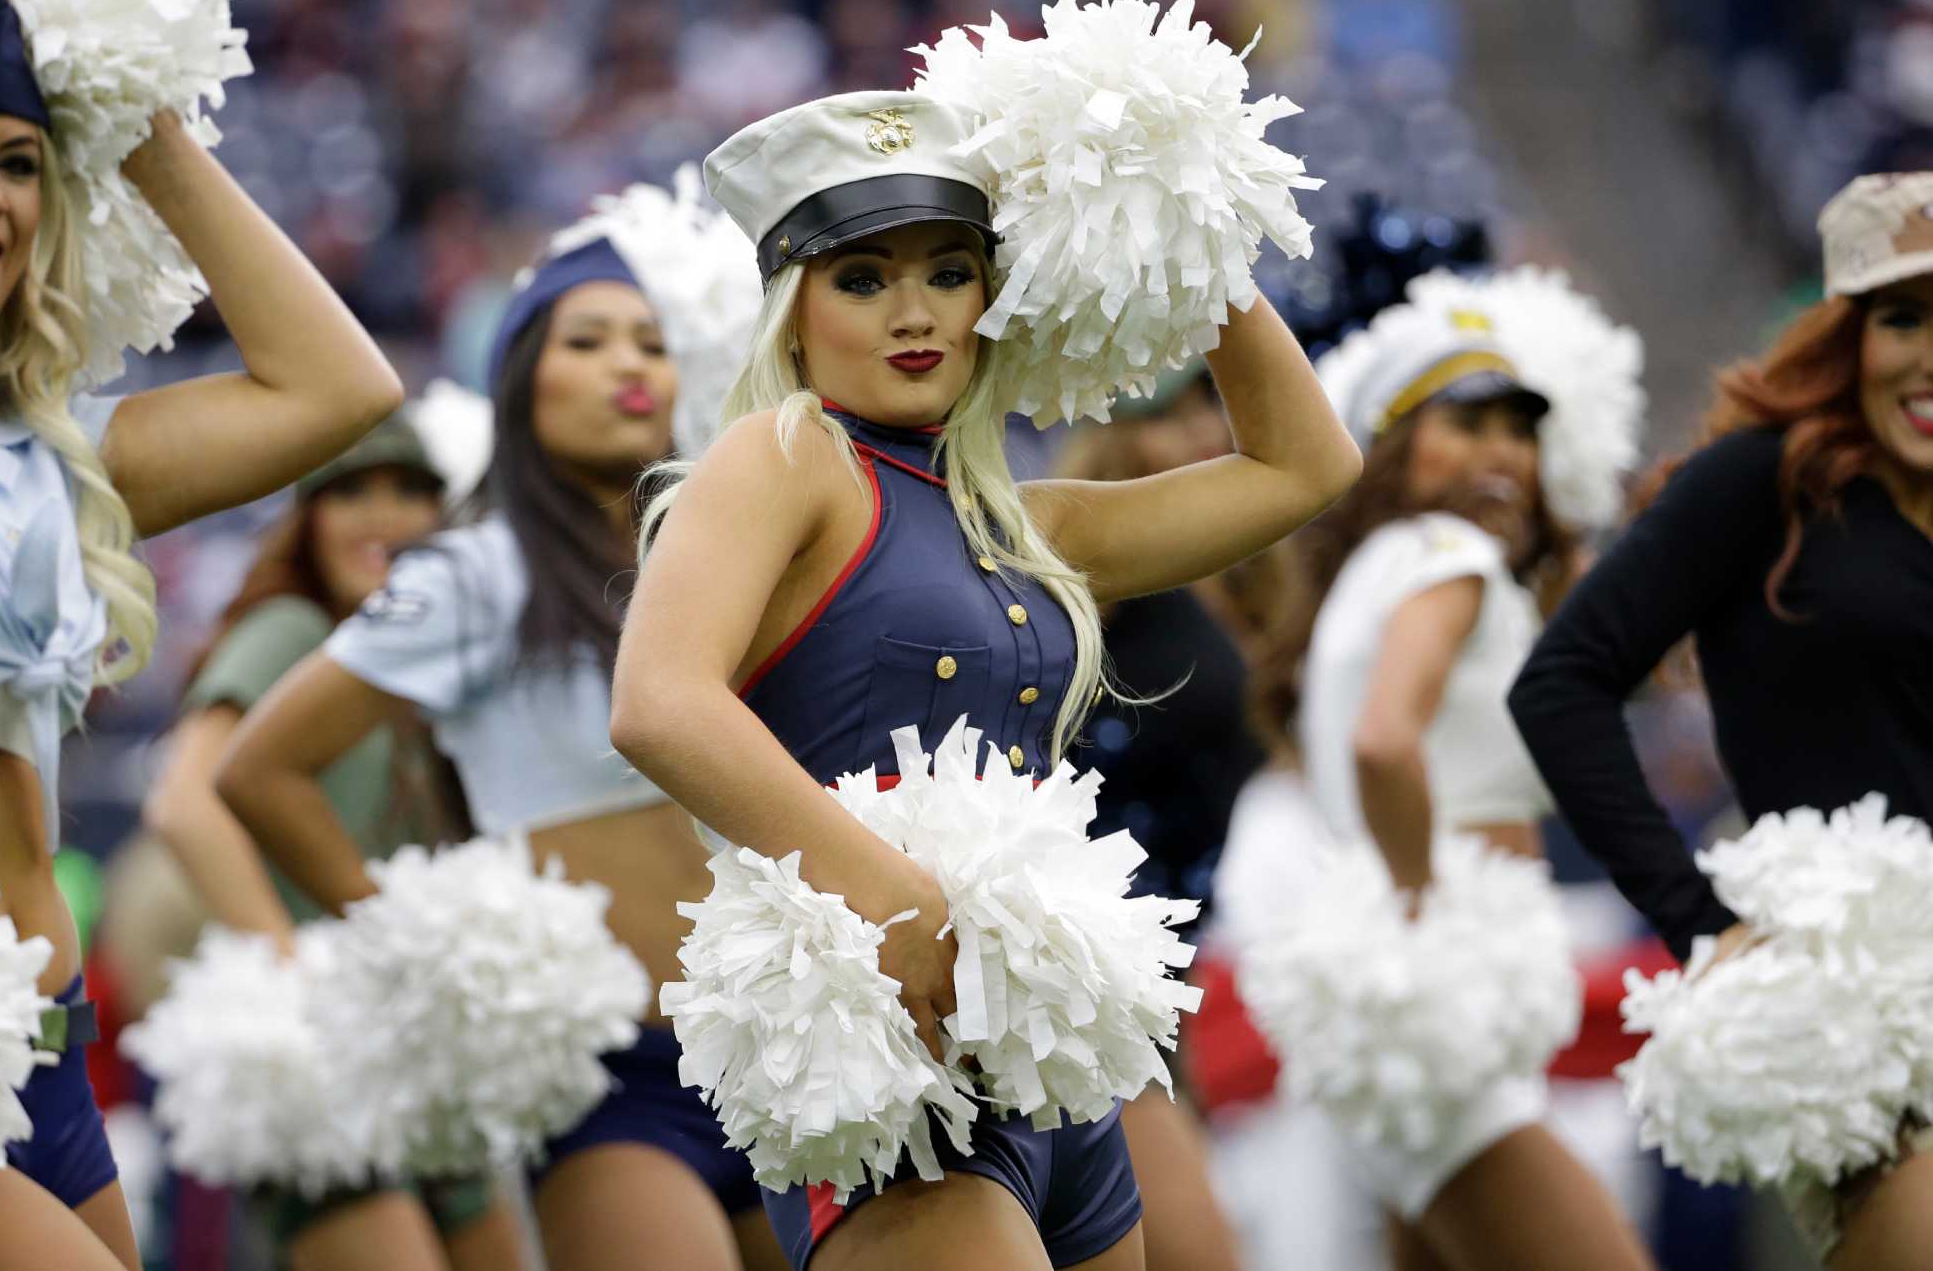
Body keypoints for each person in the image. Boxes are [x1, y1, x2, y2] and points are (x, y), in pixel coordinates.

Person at [609, 88, 1360, 1271]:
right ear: (791, 312)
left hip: (1046, 1059)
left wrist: (1178, 228)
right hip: (885, 1056)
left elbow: (1304, 464)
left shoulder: (1025, 520)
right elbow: (658, 702)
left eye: (949, 272)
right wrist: (902, 909)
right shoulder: (784, 456)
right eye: (861, 279)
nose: (913, 313)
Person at [0, 0, 400, 1271]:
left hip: (40, 1052)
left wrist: (139, 121)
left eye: (17, 160)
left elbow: (336, 390)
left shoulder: (48, 452)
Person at [216, 217, 787, 1271]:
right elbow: (257, 769)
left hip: (779, 1048)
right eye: (585, 341)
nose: (627, 363)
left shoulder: (720, 559)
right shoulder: (470, 573)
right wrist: (416, 950)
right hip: (612, 1081)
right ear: (520, 381)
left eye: (650, 344)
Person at [1509, 172, 1933, 1269]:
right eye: (1901, 317)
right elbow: (1559, 683)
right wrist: (1701, 920)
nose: (1928, 355)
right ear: (1842, 335)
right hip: (1855, 1003)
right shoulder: (1762, 482)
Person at [1248, 292, 1654, 1271]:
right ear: (1392, 447)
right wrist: (1422, 903)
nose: (1501, 451)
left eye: (1518, 427)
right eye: (1464, 423)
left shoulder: (1369, 573)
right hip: (1439, 1009)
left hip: (1411, 1023)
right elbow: (1384, 743)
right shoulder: (1448, 554)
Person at [143, 413, 527, 1271]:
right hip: (317, 1056)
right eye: (349, 491)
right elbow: (182, 800)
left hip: (417, 1047)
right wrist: (285, 964)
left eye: (408, 491)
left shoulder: (423, 666)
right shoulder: (293, 633)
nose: (381, 517)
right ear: (306, 521)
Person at [1056, 366, 1259, 1271]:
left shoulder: (1254, 574)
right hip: (1100, 978)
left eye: (1207, 407)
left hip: (1211, 967)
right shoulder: (1085, 568)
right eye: (1168, 413)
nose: (1197, 433)